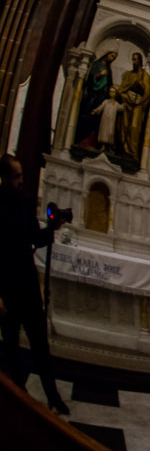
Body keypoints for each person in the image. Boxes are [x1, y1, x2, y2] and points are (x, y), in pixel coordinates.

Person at [0, 155, 68, 414]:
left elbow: (33, 238)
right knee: (11, 345)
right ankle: (19, 395)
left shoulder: (26, 201)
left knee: (40, 344)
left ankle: (53, 396)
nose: (21, 181)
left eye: (21, 176)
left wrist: (52, 228)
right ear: (5, 177)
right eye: (16, 176)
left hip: (27, 282)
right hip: (6, 285)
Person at [117, 52, 150, 162]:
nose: (134, 62)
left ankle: (133, 153)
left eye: (136, 59)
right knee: (125, 125)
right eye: (133, 59)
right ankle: (124, 149)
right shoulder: (128, 75)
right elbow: (121, 89)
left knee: (134, 127)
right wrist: (125, 97)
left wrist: (140, 95)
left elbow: (147, 92)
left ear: (140, 61)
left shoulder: (145, 76)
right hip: (127, 102)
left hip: (139, 105)